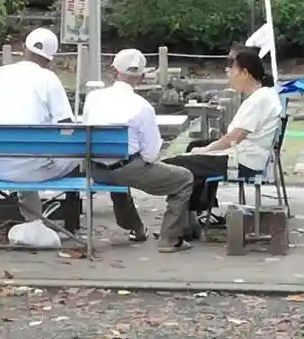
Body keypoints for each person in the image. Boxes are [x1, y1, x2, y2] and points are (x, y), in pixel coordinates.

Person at [82, 49, 194, 253]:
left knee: (117, 174)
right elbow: (151, 154)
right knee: (184, 178)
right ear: (142, 77)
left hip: (96, 169)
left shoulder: (93, 98)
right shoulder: (143, 107)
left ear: (113, 71)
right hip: (125, 169)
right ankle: (170, 238)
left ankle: (136, 228)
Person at [0, 27, 77, 222]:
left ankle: (33, 220)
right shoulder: (49, 79)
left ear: (25, 49)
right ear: (50, 59)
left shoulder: (1, 73)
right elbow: (67, 126)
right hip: (32, 168)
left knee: (28, 159)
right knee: (76, 154)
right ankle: (70, 214)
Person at [165, 46, 281, 226]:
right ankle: (197, 212)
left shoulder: (259, 100)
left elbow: (234, 137)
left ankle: (181, 221)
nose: (229, 75)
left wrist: (206, 150)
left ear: (245, 73)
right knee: (193, 148)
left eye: (232, 70)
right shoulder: (263, 94)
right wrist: (204, 149)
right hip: (246, 153)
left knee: (180, 163)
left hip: (244, 160)